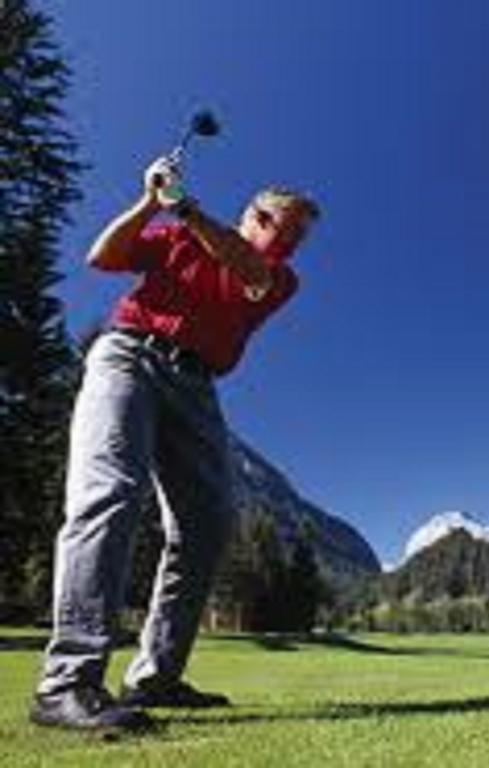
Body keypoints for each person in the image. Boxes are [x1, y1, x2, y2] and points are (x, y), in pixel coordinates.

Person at [30, 156, 319, 733]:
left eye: (294, 237)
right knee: (110, 494)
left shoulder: (275, 276)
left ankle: (156, 677)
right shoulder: (174, 237)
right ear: (249, 214)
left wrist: (183, 206)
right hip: (128, 357)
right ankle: (67, 683)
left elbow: (250, 271)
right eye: (272, 223)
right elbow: (102, 257)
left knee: (206, 526)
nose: (281, 240)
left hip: (197, 386)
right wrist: (148, 201)